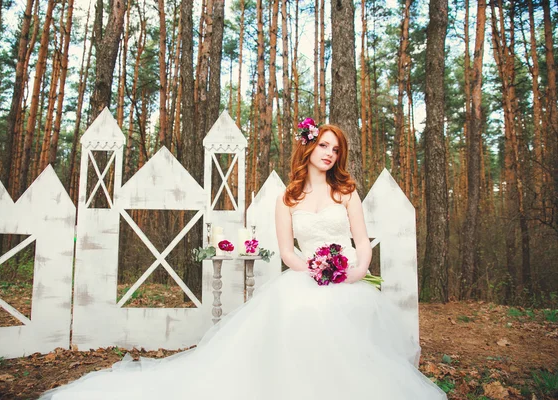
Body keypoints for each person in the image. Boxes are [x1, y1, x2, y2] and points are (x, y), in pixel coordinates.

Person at [41, 122, 446, 400]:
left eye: (335, 148)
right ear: (308, 147)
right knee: (301, 315)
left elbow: (362, 241)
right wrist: (317, 268)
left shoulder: (347, 192)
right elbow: (288, 253)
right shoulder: (287, 198)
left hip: (350, 280)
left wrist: (354, 270)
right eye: (323, 144)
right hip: (309, 276)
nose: (329, 153)